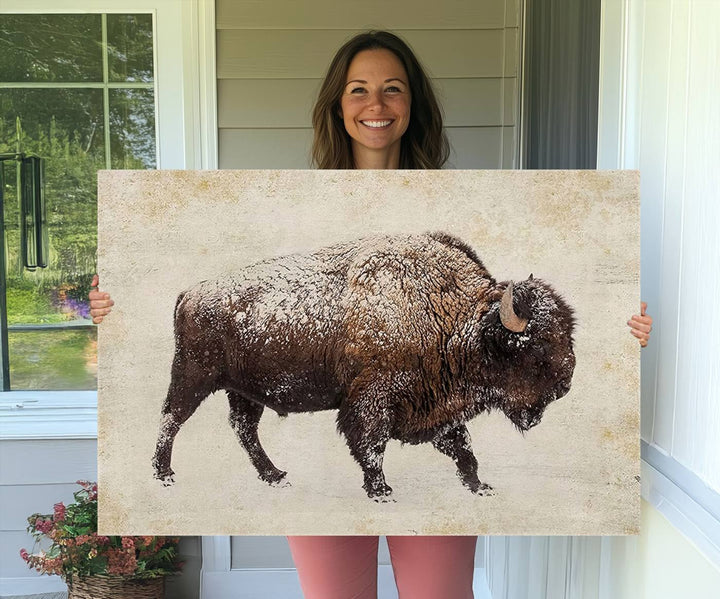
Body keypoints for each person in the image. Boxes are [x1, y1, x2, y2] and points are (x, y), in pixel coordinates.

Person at [89, 30, 652, 599]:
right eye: (359, 90)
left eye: (392, 89)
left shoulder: (467, 208)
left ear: (413, 106)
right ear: (338, 105)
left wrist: (620, 326)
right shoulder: (289, 203)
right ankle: (335, 464)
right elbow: (378, 382)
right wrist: (118, 311)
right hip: (311, 435)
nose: (376, 105)